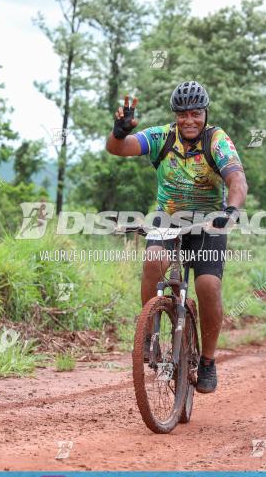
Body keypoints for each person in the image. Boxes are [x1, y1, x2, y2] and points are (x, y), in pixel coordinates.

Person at [105, 81, 248, 394]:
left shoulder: (217, 140)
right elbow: (119, 149)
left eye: (196, 113)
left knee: (207, 286)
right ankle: (149, 329)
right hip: (167, 218)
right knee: (154, 261)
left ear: (205, 113)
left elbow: (237, 179)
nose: (189, 120)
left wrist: (232, 210)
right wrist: (119, 132)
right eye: (183, 114)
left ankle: (208, 360)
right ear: (176, 116)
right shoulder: (162, 137)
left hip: (210, 221)